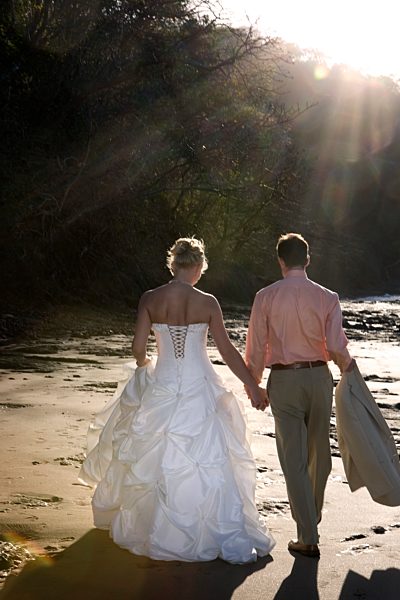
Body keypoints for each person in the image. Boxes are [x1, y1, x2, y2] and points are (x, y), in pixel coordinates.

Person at [79, 236, 275, 564]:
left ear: (173, 264)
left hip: (163, 383)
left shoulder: (150, 298)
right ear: (198, 267)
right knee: (211, 456)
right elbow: (226, 351)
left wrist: (145, 366)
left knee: (151, 456)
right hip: (200, 383)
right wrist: (253, 386)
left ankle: (155, 528)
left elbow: (138, 348)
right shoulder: (208, 301)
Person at [245, 232, 354, 558]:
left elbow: (256, 348)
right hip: (319, 377)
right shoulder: (327, 297)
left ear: (280, 261)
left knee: (293, 459)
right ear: (308, 259)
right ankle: (309, 523)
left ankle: (308, 531)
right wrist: (349, 368)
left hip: (284, 379)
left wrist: (255, 385)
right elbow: (336, 347)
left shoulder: (265, 296)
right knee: (320, 454)